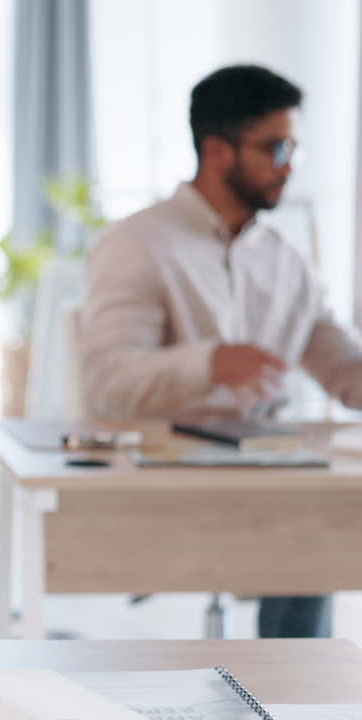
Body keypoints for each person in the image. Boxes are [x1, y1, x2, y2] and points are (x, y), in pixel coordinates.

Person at [80, 64, 362, 638]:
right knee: (308, 527)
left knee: (327, 518)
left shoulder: (284, 259)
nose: (288, 165)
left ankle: (289, 693)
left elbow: (338, 362)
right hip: (169, 481)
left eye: (294, 148)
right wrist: (209, 362)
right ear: (218, 150)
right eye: (276, 146)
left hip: (272, 474)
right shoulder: (137, 245)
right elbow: (108, 382)